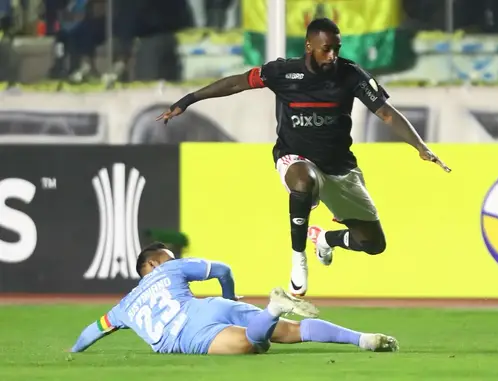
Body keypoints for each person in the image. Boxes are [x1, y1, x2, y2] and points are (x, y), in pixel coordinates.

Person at [156, 18, 451, 297]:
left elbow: (386, 113)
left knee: (373, 243)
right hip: (294, 157)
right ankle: (298, 258)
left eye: (337, 48)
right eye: (326, 49)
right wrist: (188, 100)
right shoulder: (282, 72)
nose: (333, 55)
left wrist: (420, 146)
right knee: (302, 180)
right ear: (309, 46)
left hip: (339, 167)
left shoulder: (351, 74)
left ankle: (325, 239)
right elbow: (236, 83)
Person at [69, 242, 399, 355]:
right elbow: (223, 269)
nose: (172, 260)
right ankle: (362, 339)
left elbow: (92, 331)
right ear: (151, 265)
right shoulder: (172, 270)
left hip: (194, 334)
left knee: (252, 345)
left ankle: (272, 309)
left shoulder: (123, 308)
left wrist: (73, 352)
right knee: (290, 333)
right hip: (212, 305)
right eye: (167, 258)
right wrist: (229, 300)